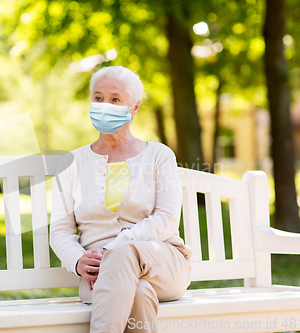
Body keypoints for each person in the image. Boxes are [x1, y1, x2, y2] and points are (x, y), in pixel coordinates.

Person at [50, 66, 191, 333]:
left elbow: (167, 218)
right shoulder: (72, 163)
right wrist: (78, 261)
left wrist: (117, 248)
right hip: (99, 276)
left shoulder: (159, 156)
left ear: (134, 107)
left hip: (161, 262)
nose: (104, 105)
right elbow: (60, 230)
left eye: (115, 99)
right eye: (98, 97)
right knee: (137, 292)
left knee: (125, 252)